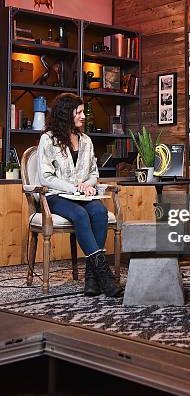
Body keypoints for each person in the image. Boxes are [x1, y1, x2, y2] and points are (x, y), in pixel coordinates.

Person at [37, 93, 123, 297]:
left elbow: (94, 173)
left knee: (100, 212)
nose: (84, 116)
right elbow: (46, 177)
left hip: (82, 195)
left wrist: (87, 185)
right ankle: (105, 276)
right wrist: (74, 188)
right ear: (67, 114)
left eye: (83, 112)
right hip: (56, 196)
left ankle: (91, 279)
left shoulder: (86, 141)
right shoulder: (47, 140)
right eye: (79, 112)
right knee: (81, 215)